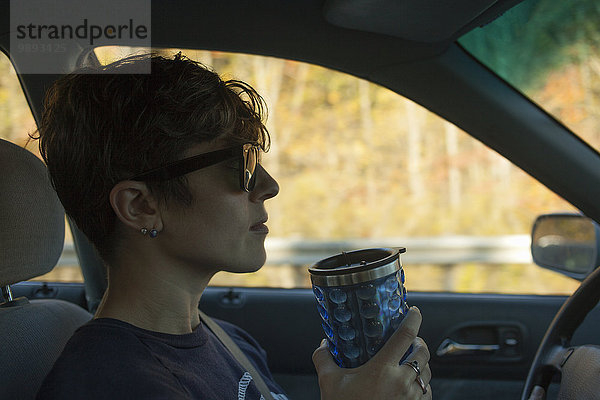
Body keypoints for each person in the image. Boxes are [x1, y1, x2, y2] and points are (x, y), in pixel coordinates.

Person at [33, 53, 432, 399]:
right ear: (141, 206)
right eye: (239, 166)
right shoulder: (107, 384)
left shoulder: (230, 341)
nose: (269, 186)